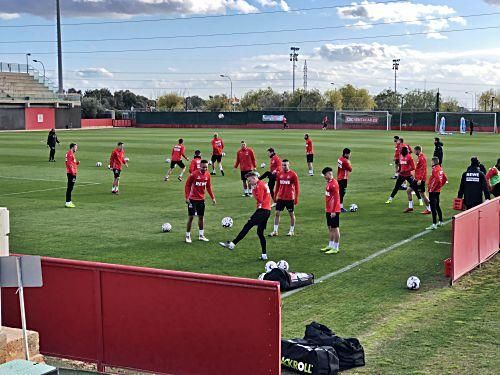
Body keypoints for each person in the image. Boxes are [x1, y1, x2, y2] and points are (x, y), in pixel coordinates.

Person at [219, 171, 271, 260]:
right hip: (266, 210)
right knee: (260, 233)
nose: (249, 183)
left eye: (249, 181)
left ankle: (232, 244)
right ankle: (264, 255)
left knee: (248, 226)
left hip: (262, 211)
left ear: (254, 178)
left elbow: (260, 199)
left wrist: (253, 191)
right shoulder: (262, 184)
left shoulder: (259, 186)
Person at [184, 160, 216, 243]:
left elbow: (208, 187)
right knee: (191, 217)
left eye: (206, 167)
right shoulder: (194, 174)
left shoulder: (208, 175)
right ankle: (187, 236)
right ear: (200, 166)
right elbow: (187, 185)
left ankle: (201, 235)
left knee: (201, 217)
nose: (205, 168)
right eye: (203, 167)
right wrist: (187, 197)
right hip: (192, 199)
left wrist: (213, 198)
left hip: (201, 200)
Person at [385, 146, 422, 212]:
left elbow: (413, 167)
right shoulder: (400, 156)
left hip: (408, 175)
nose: (400, 151)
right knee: (396, 187)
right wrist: (399, 170)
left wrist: (405, 170)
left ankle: (420, 200)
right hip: (401, 175)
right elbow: (400, 164)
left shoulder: (409, 157)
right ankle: (390, 199)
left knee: (415, 187)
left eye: (401, 150)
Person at [269, 159, 300, 237]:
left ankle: (291, 231)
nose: (283, 166)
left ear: (288, 165)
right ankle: (275, 231)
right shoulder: (280, 174)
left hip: (290, 198)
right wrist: (275, 196)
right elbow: (277, 186)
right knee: (277, 213)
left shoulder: (293, 175)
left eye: (285, 165)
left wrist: (296, 198)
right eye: (282, 165)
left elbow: (297, 187)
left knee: (291, 214)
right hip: (281, 198)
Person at [321, 167, 341, 254]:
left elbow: (336, 199)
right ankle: (330, 245)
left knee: (335, 228)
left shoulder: (334, 184)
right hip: (329, 209)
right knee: (330, 228)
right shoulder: (329, 183)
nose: (325, 177)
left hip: (334, 210)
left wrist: (333, 211)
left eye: (325, 175)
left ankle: (336, 247)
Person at [406, 146, 431, 214]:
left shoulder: (422, 158)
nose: (414, 152)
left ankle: (429, 209)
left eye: (414, 151)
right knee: (408, 190)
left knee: (422, 194)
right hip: (416, 179)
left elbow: (423, 169)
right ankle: (410, 207)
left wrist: (420, 179)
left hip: (420, 180)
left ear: (418, 150)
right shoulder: (420, 157)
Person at [426, 157, 448, 230]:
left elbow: (438, 180)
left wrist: (432, 188)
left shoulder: (435, 169)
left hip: (433, 191)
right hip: (437, 191)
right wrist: (440, 187)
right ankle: (441, 221)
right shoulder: (440, 168)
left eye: (431, 162)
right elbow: (444, 178)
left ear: (433, 162)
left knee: (433, 207)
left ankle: (434, 224)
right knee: (437, 205)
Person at [337, 148, 352, 212]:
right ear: (346, 154)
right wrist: (349, 162)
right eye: (349, 154)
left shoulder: (340, 159)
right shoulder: (345, 161)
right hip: (343, 178)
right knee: (342, 193)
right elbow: (350, 169)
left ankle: (337, 206)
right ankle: (340, 207)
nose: (350, 155)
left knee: (339, 193)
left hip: (339, 177)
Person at [65, 143, 79, 208]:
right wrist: (73, 172)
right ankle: (68, 202)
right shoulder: (70, 154)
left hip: (72, 172)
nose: (76, 148)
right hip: (71, 173)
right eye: (75, 147)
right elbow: (69, 164)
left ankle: (69, 201)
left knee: (70, 188)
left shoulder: (70, 153)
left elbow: (72, 163)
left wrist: (76, 163)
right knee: (70, 188)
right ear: (72, 147)